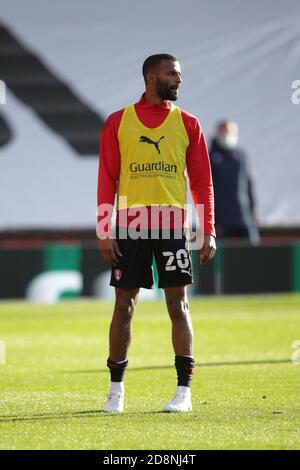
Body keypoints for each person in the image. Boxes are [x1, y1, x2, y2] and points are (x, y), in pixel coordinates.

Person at [97, 53, 216, 413]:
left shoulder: (189, 124)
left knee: (177, 305)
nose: (179, 80)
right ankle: (116, 391)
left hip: (171, 224)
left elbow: (201, 182)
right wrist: (105, 229)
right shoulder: (118, 122)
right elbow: (107, 178)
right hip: (130, 224)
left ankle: (184, 392)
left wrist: (208, 229)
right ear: (151, 77)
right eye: (172, 74)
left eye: (179, 74)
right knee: (124, 305)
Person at [209, 120, 260, 244]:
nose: (227, 135)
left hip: (243, 215)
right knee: (220, 257)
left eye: (230, 132)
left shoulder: (241, 155)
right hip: (220, 217)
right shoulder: (210, 156)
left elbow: (248, 184)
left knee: (253, 247)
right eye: (224, 132)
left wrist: (253, 209)